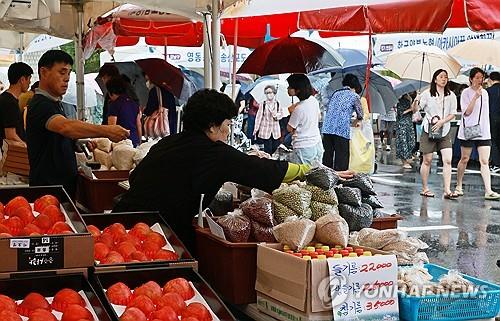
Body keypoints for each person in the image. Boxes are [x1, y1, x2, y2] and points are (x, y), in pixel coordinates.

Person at [113, 89, 343, 253]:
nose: (228, 128)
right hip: (154, 234)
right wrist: (309, 170)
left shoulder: (168, 142)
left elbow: (136, 177)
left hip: (118, 224)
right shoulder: (215, 152)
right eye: (228, 123)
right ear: (213, 125)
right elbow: (262, 170)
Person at [26, 50, 130, 198]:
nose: (67, 79)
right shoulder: (40, 105)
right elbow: (66, 127)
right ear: (44, 72)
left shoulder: (55, 103)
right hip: (48, 190)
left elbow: (56, 136)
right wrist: (107, 130)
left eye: (69, 73)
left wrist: (75, 143)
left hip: (61, 188)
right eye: (62, 72)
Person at [455, 67, 500, 200]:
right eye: (477, 77)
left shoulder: (485, 93)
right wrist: (475, 97)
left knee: (484, 161)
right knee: (464, 159)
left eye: (482, 77)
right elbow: (467, 112)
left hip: (483, 131)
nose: (480, 80)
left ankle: (488, 190)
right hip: (469, 130)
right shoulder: (465, 93)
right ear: (471, 79)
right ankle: (458, 185)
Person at [417, 69, 457, 199]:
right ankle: (425, 188)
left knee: (447, 160)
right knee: (427, 160)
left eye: (446, 77)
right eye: (441, 77)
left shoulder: (451, 95)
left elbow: (453, 113)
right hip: (429, 130)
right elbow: (416, 109)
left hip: (444, 130)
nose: (444, 79)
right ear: (435, 79)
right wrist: (416, 100)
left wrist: (442, 122)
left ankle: (447, 190)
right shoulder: (427, 94)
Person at [322, 73, 363, 171]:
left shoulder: (335, 93)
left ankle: (326, 179)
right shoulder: (354, 96)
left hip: (327, 128)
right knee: (341, 159)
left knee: (327, 156)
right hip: (341, 130)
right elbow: (360, 115)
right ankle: (340, 181)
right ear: (356, 86)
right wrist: (354, 122)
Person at [286, 74, 323, 165]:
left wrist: (291, 112)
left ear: (297, 90)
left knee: (303, 177)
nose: (287, 88)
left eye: (290, 87)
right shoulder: (313, 100)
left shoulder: (299, 109)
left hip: (303, 148)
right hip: (317, 143)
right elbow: (319, 117)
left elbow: (290, 128)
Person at [0, 62, 33, 145]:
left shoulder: (5, 98)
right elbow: (11, 135)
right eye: (29, 79)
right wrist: (26, 147)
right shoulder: (9, 102)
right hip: (10, 153)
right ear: (22, 80)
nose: (30, 83)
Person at [107, 76, 142, 147]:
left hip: (121, 142)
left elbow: (111, 127)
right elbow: (139, 124)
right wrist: (140, 141)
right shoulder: (134, 103)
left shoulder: (114, 105)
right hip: (134, 141)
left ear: (111, 92)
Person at [253, 85, 282, 155]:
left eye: (270, 92)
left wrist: (276, 116)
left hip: (275, 131)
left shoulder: (278, 103)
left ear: (274, 93)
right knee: (267, 149)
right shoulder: (263, 104)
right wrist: (256, 129)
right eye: (266, 93)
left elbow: (281, 114)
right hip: (265, 130)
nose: (268, 94)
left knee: (275, 148)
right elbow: (258, 117)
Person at [396, 93, 417, 169]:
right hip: (402, 124)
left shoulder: (410, 101)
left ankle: (407, 158)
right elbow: (401, 113)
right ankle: (404, 161)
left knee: (411, 141)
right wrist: (410, 109)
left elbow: (414, 111)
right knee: (403, 143)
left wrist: (415, 102)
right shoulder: (400, 102)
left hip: (409, 123)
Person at [486, 71, 500, 171]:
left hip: (492, 118)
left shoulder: (488, 91)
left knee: (493, 141)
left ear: (490, 80)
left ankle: (496, 164)